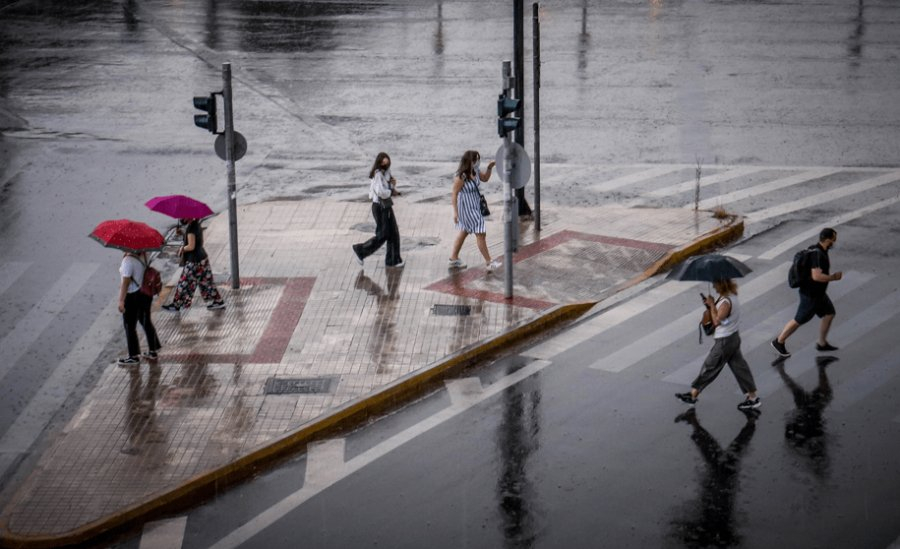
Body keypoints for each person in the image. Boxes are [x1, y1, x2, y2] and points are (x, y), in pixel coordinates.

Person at [676, 278, 761, 411]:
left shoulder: (726, 302)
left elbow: (717, 321)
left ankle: (692, 396)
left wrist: (712, 305)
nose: (714, 287)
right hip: (732, 337)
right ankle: (753, 398)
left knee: (710, 366)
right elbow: (723, 317)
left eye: (715, 284)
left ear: (721, 285)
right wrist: (710, 306)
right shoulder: (731, 296)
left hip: (725, 341)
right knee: (740, 368)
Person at [771, 228, 842, 358]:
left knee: (829, 313)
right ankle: (779, 341)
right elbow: (816, 276)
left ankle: (822, 343)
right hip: (811, 295)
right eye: (833, 239)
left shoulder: (816, 249)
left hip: (819, 294)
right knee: (799, 319)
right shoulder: (818, 255)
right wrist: (833, 277)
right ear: (827, 240)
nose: (835, 242)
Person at [448, 150, 501, 272]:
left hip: (474, 206)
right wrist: (455, 213)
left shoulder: (475, 171)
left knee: (464, 231)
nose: (478, 162)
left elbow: (485, 178)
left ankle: (453, 258)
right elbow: (454, 194)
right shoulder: (461, 176)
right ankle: (489, 262)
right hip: (466, 208)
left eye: (478, 159)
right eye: (476, 159)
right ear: (469, 161)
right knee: (481, 232)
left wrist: (489, 168)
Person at [352, 152, 404, 268]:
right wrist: (391, 192)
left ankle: (393, 260)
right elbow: (380, 192)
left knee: (393, 233)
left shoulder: (385, 174)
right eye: (384, 163)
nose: (386, 165)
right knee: (384, 234)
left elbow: (386, 188)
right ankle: (360, 250)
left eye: (388, 163)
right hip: (380, 207)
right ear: (379, 163)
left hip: (385, 206)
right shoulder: (377, 175)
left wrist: (392, 185)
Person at [162, 218, 225, 312]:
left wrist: (182, 249)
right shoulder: (196, 225)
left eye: (184, 216)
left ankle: (176, 305)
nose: (182, 218)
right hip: (202, 259)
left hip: (194, 261)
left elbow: (191, 246)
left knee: (184, 283)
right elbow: (193, 240)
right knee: (207, 282)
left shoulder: (191, 228)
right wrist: (183, 233)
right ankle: (218, 301)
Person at [117, 252, 162, 365]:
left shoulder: (128, 260)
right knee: (145, 321)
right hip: (145, 293)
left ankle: (133, 356)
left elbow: (126, 282)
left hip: (132, 295)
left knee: (129, 325)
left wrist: (121, 300)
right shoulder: (145, 254)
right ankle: (153, 350)